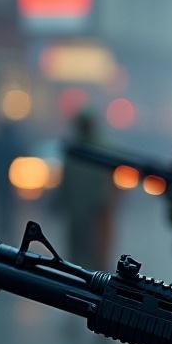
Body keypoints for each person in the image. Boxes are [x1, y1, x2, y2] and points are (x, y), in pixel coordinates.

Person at [58, 110, 116, 271]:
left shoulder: (101, 151)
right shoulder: (76, 150)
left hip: (96, 213)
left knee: (95, 256)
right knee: (77, 257)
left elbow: (111, 186)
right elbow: (66, 181)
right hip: (81, 212)